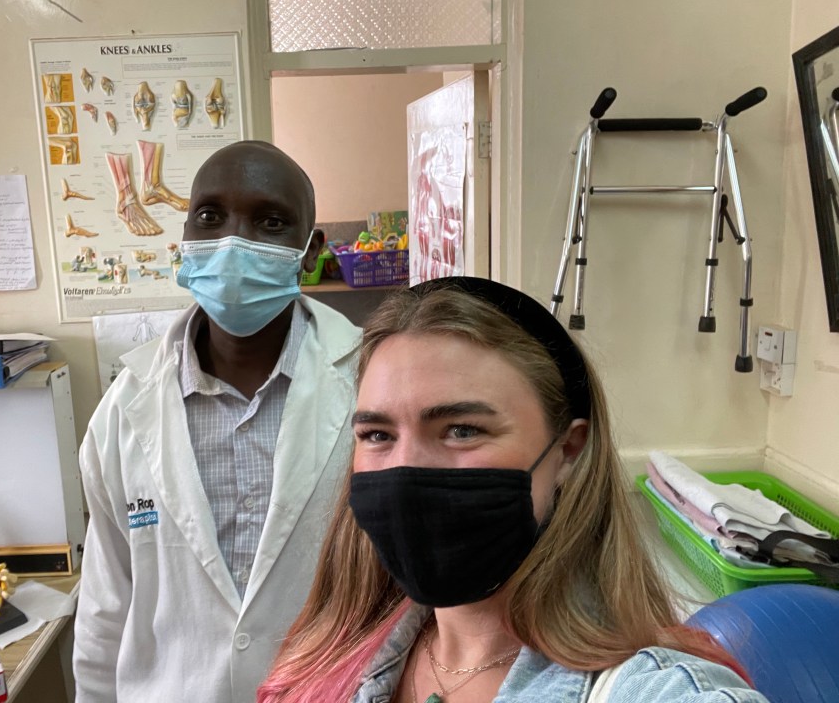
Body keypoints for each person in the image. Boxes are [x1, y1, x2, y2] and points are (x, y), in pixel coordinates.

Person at [258, 277, 770, 703]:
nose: (406, 467)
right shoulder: (329, 656)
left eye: (462, 430)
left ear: (568, 449)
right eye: (377, 435)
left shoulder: (655, 690)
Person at [73, 141, 362, 703]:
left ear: (310, 250)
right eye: (209, 216)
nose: (233, 241)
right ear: (185, 239)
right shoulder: (122, 411)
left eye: (271, 222)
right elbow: (106, 606)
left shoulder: (369, 385)